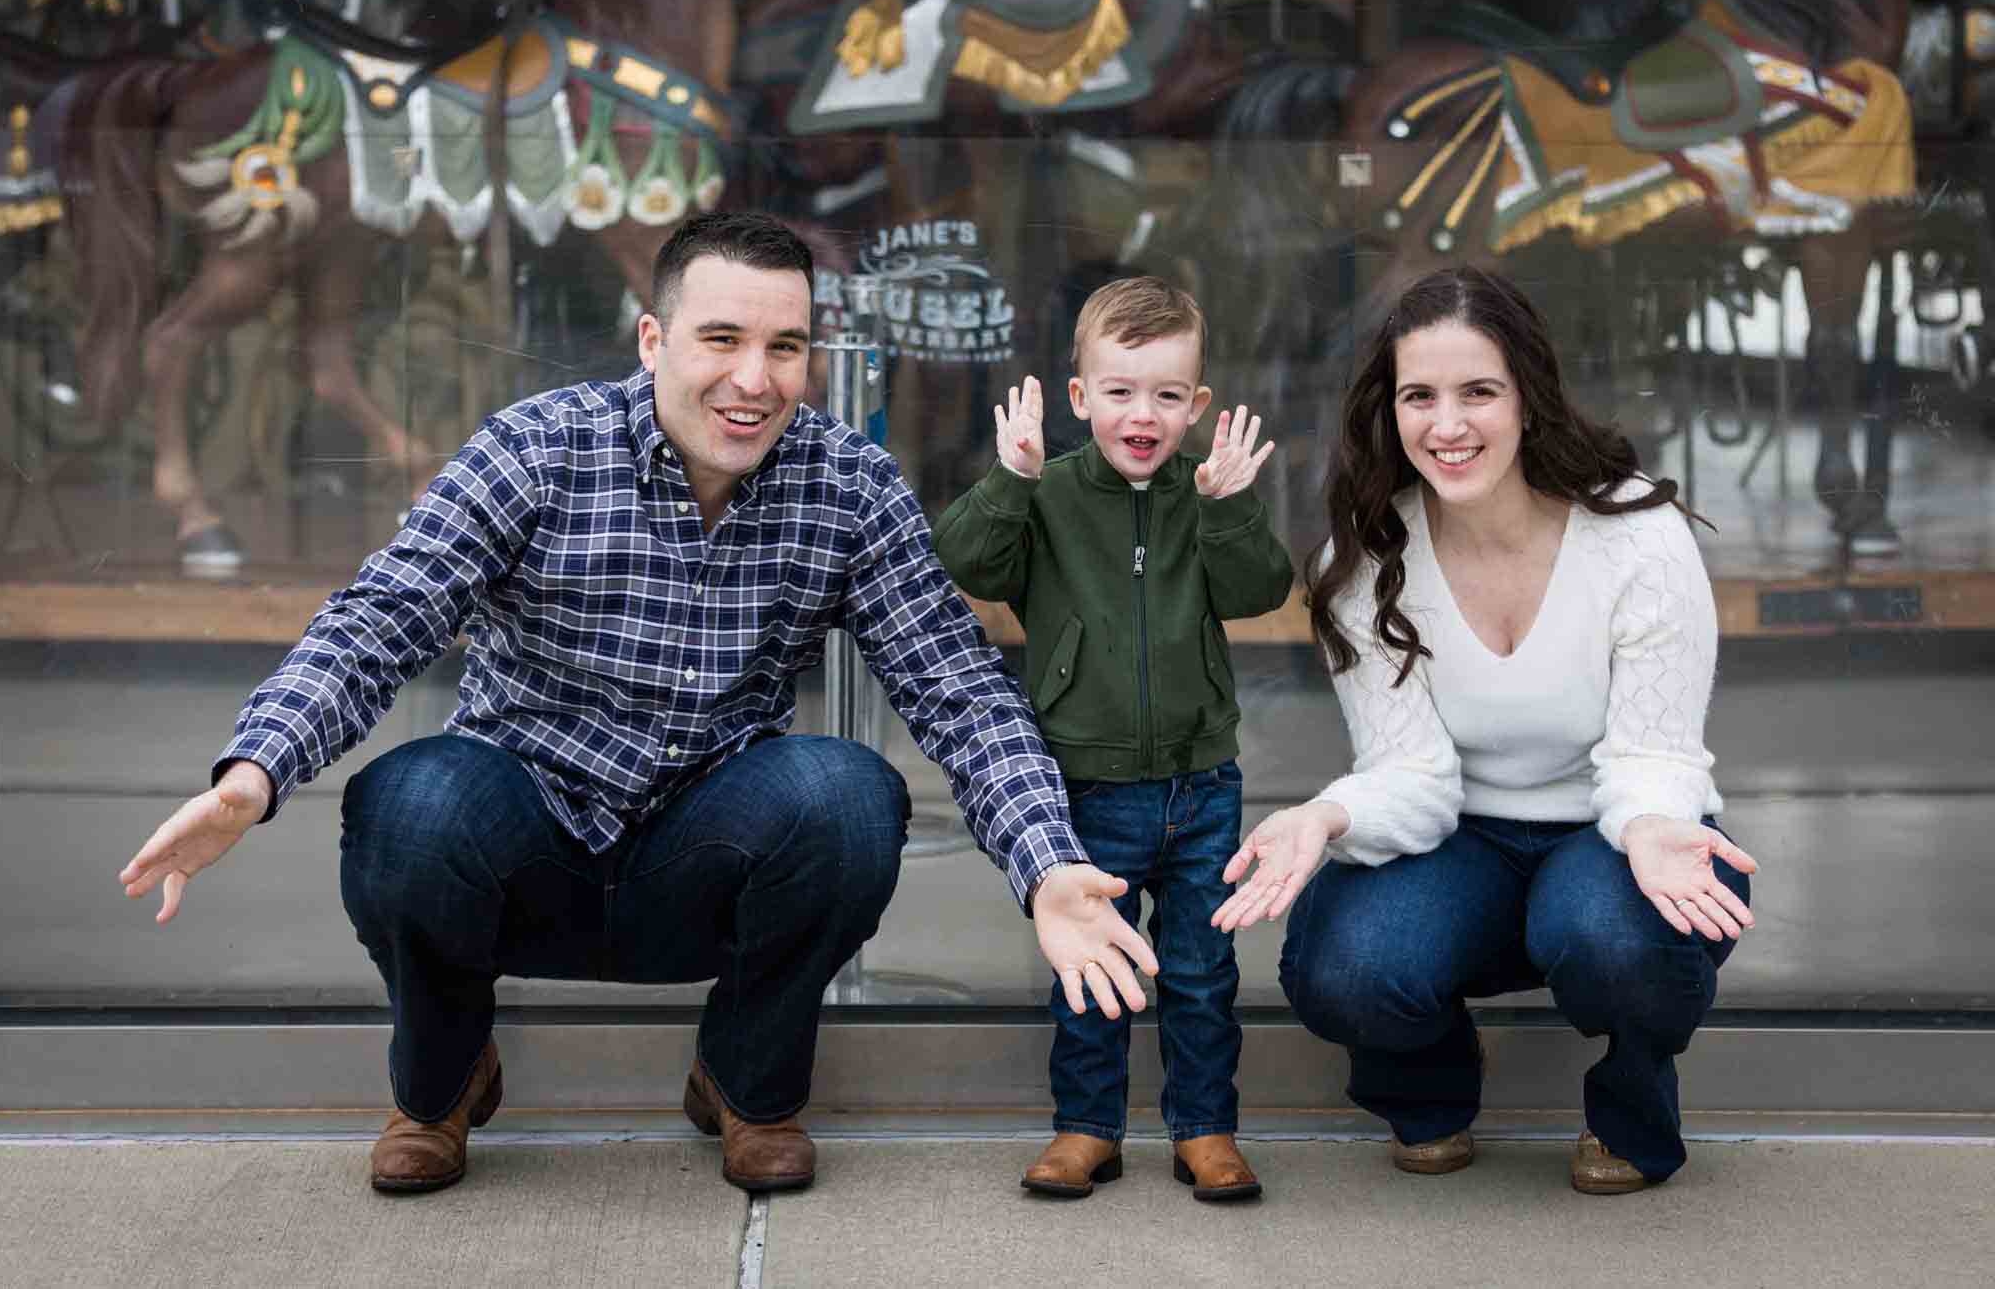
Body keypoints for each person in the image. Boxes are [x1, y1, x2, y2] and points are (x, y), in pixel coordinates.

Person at [117, 212, 1160, 1196]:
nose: (753, 379)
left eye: (785, 347)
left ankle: (744, 1083)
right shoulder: (537, 448)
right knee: (409, 804)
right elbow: (381, 616)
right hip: (522, 833)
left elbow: (959, 687)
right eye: (720, 338)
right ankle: (439, 1087)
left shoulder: (847, 483)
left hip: (704, 855)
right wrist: (253, 774)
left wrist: (1046, 863)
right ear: (653, 338)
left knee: (847, 798)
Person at [1213, 265, 1757, 1194]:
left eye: (1478, 392)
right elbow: (1411, 774)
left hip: (1617, 835)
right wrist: (1327, 816)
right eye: (1419, 395)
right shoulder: (1368, 554)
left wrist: (1663, 824)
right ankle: (1430, 1094)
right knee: (1343, 960)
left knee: (1620, 935)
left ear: (1529, 398)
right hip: (1458, 839)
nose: (1448, 425)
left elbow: (1652, 753)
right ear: (1390, 410)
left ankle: (1631, 1108)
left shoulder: (1636, 534)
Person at [934, 277, 1294, 1201]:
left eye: (1168, 395)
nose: (1145, 414)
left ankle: (1205, 1127)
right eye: (1122, 391)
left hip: (1201, 780)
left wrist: (1226, 505)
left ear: (1197, 406)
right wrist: (1010, 476)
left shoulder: (1203, 490)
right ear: (1081, 395)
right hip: (1087, 784)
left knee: (1202, 972)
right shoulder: (1049, 491)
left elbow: (1259, 590)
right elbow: (967, 561)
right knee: (1090, 970)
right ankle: (1085, 1127)